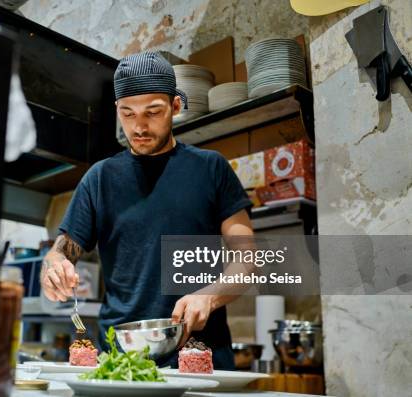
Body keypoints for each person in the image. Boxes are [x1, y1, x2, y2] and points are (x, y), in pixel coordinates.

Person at [40, 52, 255, 369]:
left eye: (153, 112)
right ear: (117, 111)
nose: (138, 126)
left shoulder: (211, 169)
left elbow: (248, 259)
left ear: (176, 106)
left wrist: (209, 296)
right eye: (128, 114)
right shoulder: (100, 179)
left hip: (199, 356)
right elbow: (61, 252)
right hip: (121, 361)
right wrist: (53, 267)